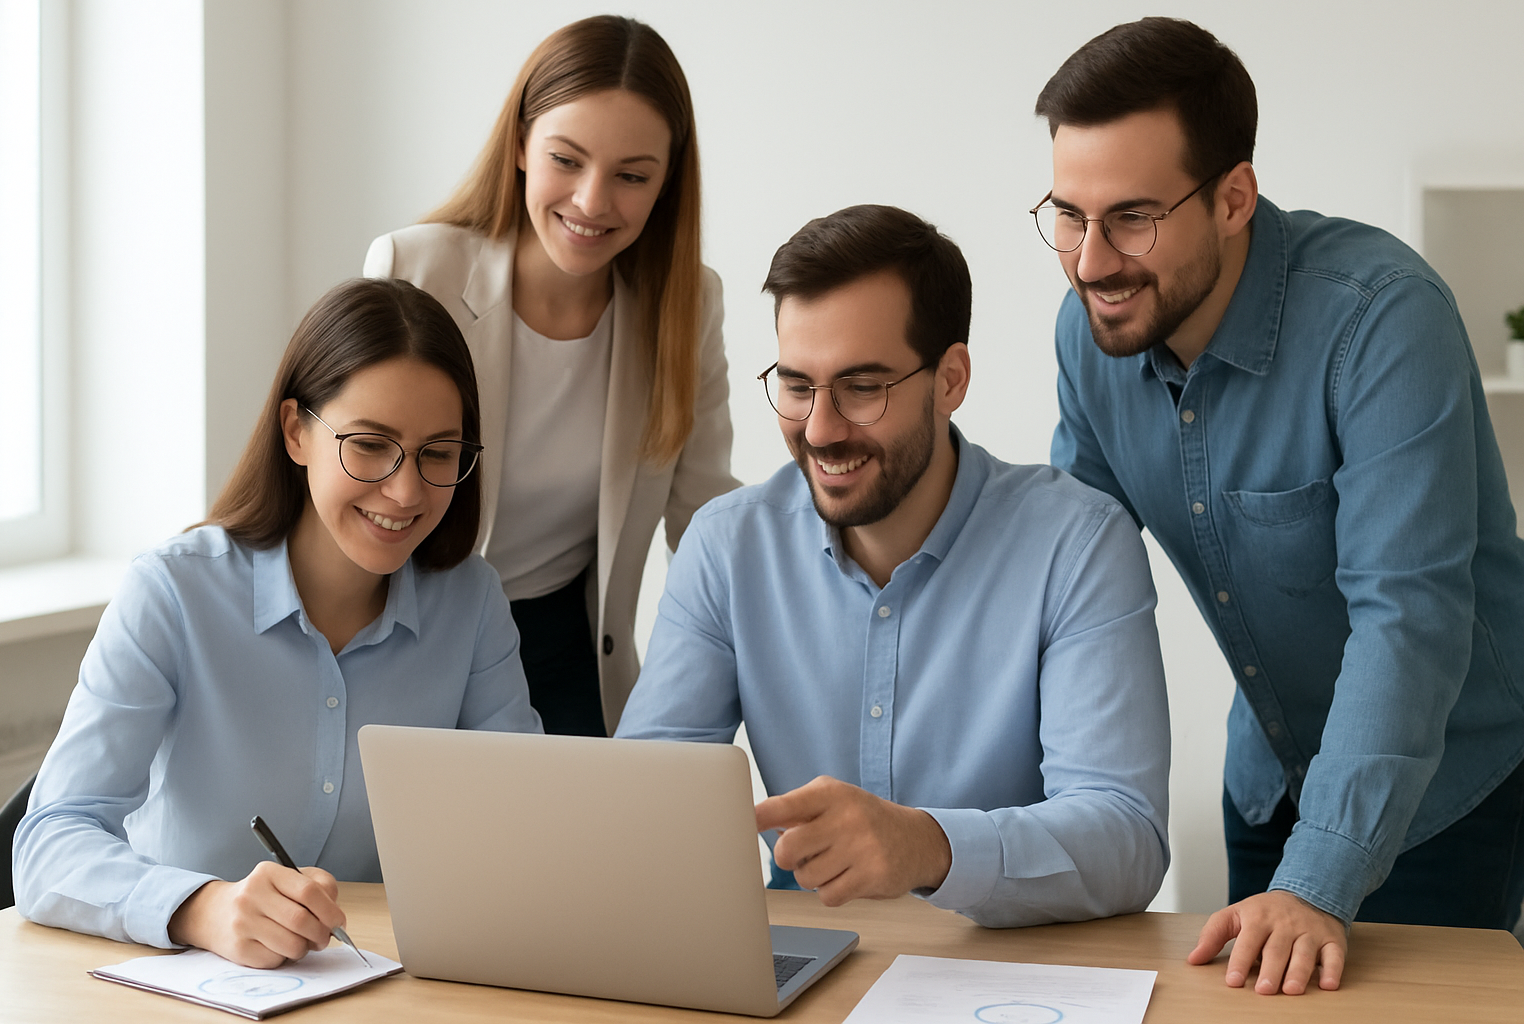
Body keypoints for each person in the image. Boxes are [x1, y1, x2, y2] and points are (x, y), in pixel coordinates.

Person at [1033, 16, 1524, 995]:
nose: (1091, 262)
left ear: (1233, 198)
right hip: (1267, 780)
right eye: (1067, 215)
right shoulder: (1093, 337)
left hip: (1446, 786)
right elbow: (1069, 584)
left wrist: (1318, 879)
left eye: (1131, 217)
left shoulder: (1383, 319)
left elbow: (1409, 622)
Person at [616, 205, 1171, 928]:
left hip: (1012, 974)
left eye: (862, 387)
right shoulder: (727, 546)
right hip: (800, 968)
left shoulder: (1078, 543)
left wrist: (929, 848)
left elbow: (1127, 839)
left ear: (950, 379)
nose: (820, 429)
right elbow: (642, 807)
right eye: (796, 385)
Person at [14, 278, 542, 967]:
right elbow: (50, 840)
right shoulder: (173, 592)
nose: (406, 490)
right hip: (183, 994)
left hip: (375, 987)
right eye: (370, 445)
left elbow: (526, 830)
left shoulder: (471, 604)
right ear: (296, 431)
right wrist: (203, 908)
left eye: (438, 453)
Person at [364, 15, 737, 738]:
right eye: (567, 160)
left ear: (666, 185)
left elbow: (704, 527)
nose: (593, 202)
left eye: (632, 176)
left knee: (586, 850)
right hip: (409, 631)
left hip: (570, 650)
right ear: (521, 148)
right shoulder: (417, 270)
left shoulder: (687, 305)